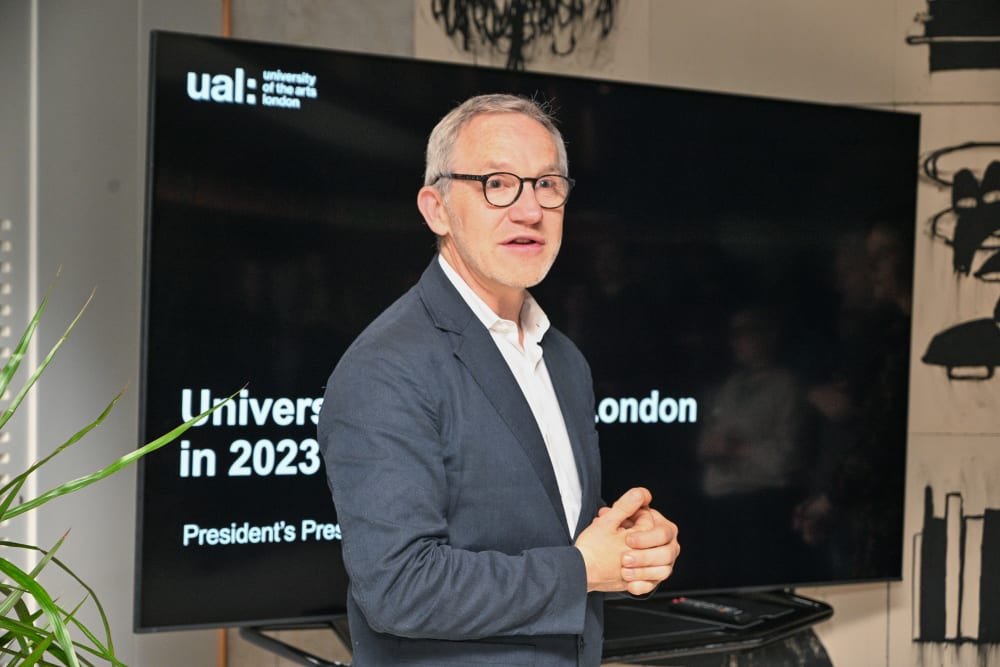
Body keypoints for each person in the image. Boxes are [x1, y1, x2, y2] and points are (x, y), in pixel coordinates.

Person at [318, 93, 679, 666]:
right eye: (497, 183)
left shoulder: (562, 357)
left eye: (547, 185)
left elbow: (533, 523)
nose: (529, 210)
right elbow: (399, 588)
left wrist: (627, 544)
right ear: (436, 209)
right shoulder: (386, 367)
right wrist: (584, 568)